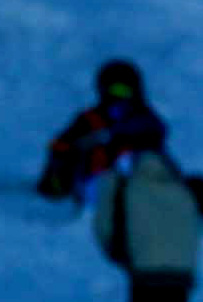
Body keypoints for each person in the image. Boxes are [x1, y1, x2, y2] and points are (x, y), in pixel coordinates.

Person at [92, 112, 202, 302]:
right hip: (181, 272)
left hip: (146, 269)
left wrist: (120, 255)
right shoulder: (177, 179)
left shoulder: (121, 180)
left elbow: (105, 227)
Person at [36, 58, 163, 202]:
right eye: (114, 90)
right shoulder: (90, 119)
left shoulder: (144, 117)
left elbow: (156, 132)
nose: (119, 97)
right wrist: (77, 147)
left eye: (124, 91)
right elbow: (61, 145)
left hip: (141, 183)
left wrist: (116, 133)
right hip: (97, 183)